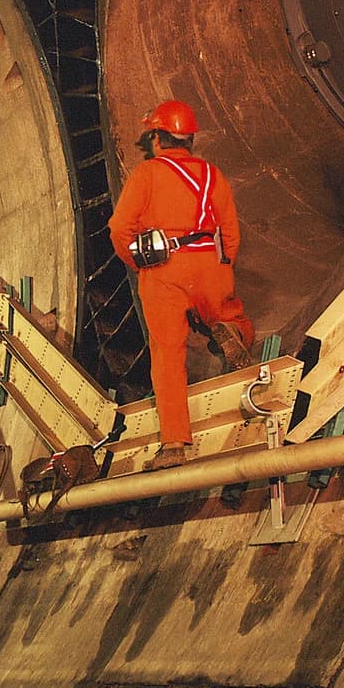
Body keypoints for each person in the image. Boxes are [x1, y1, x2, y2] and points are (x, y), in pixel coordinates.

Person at [108, 100, 256, 470]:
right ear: (188, 139)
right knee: (231, 316)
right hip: (210, 262)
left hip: (164, 270)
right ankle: (230, 330)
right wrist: (219, 269)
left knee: (168, 355)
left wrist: (139, 263)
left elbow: (118, 229)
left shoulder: (147, 175)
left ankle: (174, 444)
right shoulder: (213, 175)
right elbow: (231, 236)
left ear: (158, 138)